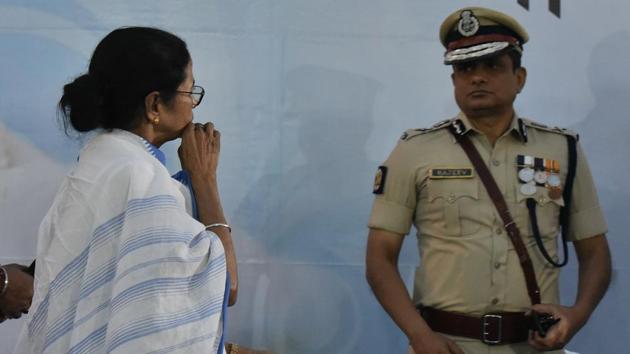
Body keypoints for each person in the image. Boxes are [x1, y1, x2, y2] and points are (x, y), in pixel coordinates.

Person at [365, 7, 611, 354]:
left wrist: (577, 315)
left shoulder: (561, 150)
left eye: (493, 66)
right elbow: (379, 257)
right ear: (454, 81)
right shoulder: (414, 152)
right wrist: (419, 335)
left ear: (520, 77)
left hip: (533, 345)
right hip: (447, 345)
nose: (477, 78)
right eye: (465, 69)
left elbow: (595, 252)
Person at [13, 27, 242, 353]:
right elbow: (225, 285)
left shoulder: (98, 162)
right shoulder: (141, 180)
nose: (193, 106)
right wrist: (204, 181)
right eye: (189, 92)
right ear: (154, 105)